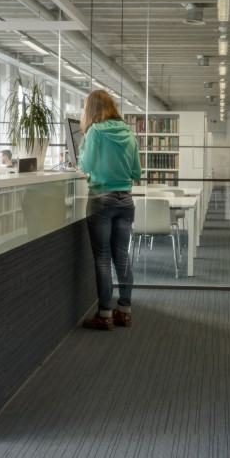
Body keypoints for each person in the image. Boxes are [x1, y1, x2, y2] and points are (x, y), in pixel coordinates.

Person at [78, 89, 141, 331]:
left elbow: (86, 165)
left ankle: (104, 314)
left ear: (91, 110)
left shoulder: (94, 132)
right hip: (125, 202)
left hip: (101, 201)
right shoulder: (129, 133)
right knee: (121, 257)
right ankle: (124, 310)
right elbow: (136, 172)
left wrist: (84, 142)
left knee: (103, 259)